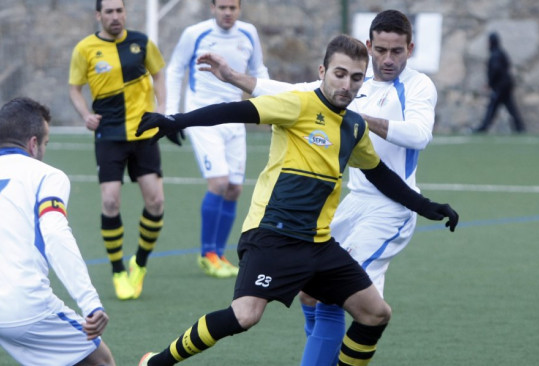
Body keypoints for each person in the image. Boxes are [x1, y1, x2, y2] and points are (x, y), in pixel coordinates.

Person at [135, 34, 458, 366]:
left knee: (375, 313)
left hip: (318, 244)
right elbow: (236, 110)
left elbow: (378, 173)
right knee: (245, 316)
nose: (347, 84)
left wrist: (425, 205)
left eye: (356, 77)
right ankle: (157, 362)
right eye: (340, 74)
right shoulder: (299, 103)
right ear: (323, 71)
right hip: (272, 236)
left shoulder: (354, 125)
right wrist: (175, 119)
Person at [0, 97, 115, 366]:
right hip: (23, 307)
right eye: (46, 143)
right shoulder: (48, 176)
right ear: (33, 143)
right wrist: (90, 303)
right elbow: (56, 235)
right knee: (101, 361)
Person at [69, 0, 167, 300]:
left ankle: (139, 263)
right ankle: (117, 271)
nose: (115, 16)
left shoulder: (141, 43)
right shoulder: (84, 48)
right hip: (109, 135)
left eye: (119, 10)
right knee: (110, 202)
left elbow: (159, 75)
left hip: (143, 132)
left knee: (156, 202)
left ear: (125, 13)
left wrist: (162, 110)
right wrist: (85, 114)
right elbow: (74, 87)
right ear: (99, 15)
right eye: (109, 11)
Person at [165, 0, 269, 278]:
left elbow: (259, 71)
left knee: (234, 188)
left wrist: (272, 103)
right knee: (220, 182)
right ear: (212, 8)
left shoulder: (248, 34)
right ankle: (207, 254)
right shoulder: (195, 33)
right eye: (222, 6)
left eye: (232, 7)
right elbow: (175, 69)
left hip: (234, 120)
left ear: (239, 8)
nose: (227, 12)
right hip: (203, 117)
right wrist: (173, 114)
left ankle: (219, 254)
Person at [473, 32, 525, 133]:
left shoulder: (495, 55)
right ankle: (519, 127)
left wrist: (491, 83)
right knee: (510, 107)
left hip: (500, 86)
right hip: (505, 85)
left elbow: (495, 70)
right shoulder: (501, 53)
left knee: (492, 107)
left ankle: (484, 127)